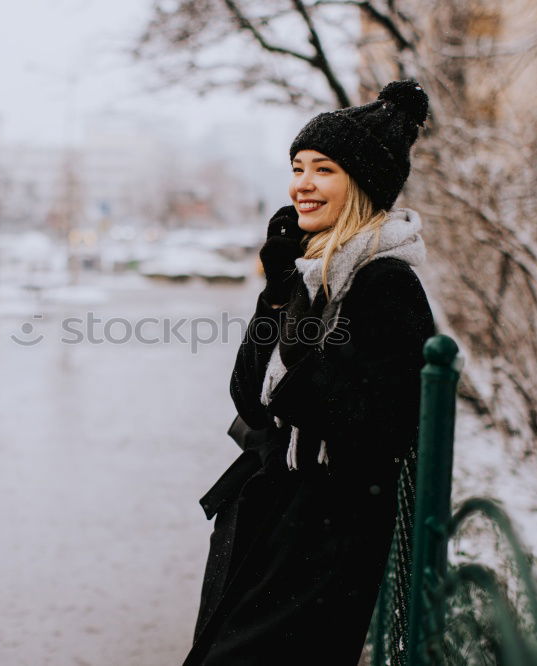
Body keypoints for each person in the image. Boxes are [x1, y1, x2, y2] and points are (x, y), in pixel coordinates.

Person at [184, 80, 436, 665]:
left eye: (323, 169)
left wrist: (296, 348)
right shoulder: (311, 276)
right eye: (298, 167)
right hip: (273, 516)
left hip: (326, 536)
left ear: (362, 182)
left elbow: (382, 421)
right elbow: (250, 398)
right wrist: (275, 299)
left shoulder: (386, 283)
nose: (301, 183)